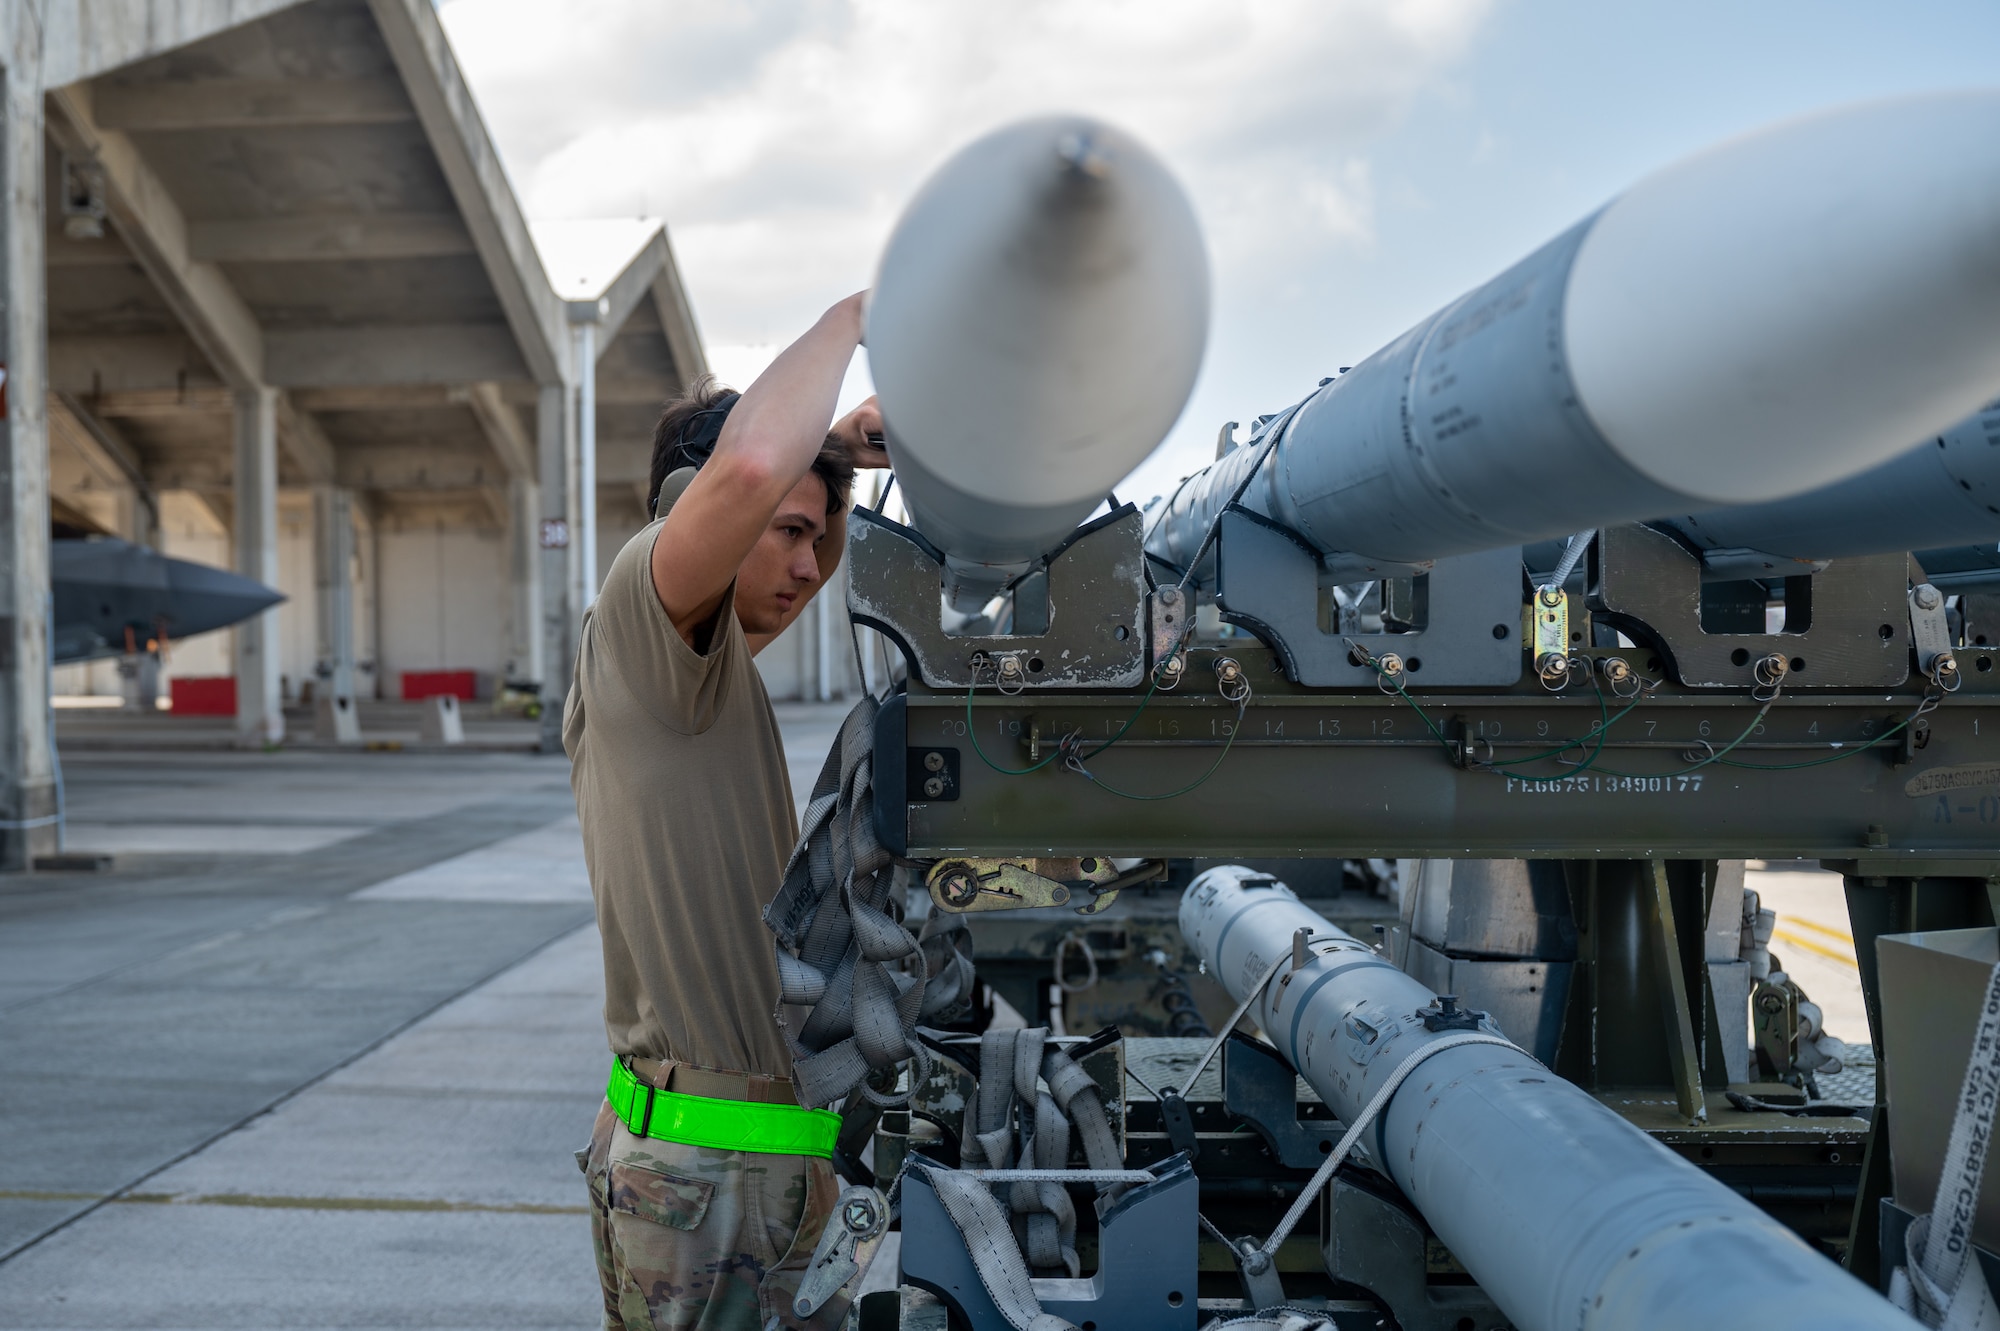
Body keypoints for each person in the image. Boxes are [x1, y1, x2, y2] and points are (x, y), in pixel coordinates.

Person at [565, 292, 886, 1330]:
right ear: (693, 508)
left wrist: (832, 456)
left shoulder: (699, 666)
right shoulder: (644, 613)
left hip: (740, 1162)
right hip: (710, 1173)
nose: (808, 563)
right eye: (787, 532)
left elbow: (778, 501)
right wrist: (858, 316)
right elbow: (748, 472)